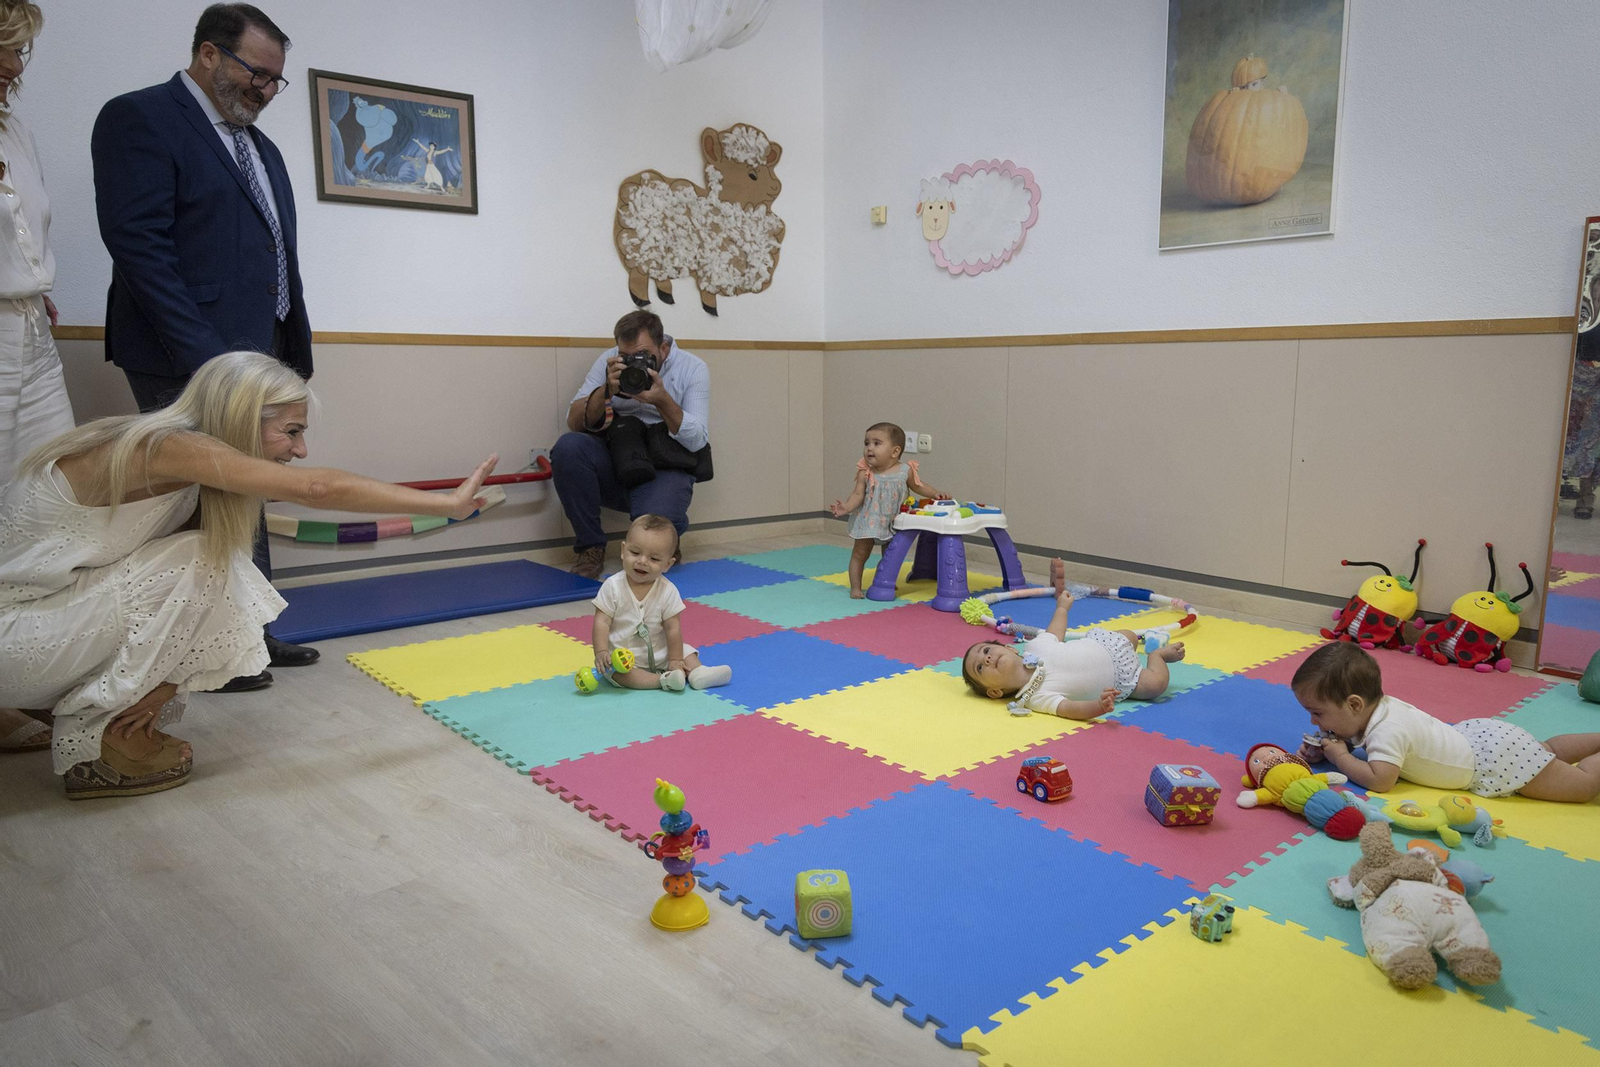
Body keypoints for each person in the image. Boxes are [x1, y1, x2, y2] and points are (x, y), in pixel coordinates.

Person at [0, 351, 497, 799]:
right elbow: (317, 489)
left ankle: (85, 715)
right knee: (204, 557)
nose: (300, 451)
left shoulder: (183, 467)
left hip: (34, 632)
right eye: (292, 431)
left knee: (216, 559)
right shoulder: (161, 447)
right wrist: (446, 505)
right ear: (240, 419)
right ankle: (95, 741)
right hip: (12, 641)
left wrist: (165, 682)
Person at [90, 3, 316, 685]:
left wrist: (287, 349)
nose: (265, 89)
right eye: (257, 72)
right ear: (210, 54)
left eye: (276, 80)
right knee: (198, 495)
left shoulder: (264, 150)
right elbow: (139, 246)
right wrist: (209, 361)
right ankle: (210, 650)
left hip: (258, 354)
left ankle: (252, 633)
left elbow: (277, 254)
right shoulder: (140, 117)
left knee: (242, 490)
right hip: (182, 354)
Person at [1291, 641, 1600, 802]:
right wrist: (1330, 746)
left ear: (1354, 704)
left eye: (1318, 712)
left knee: (1583, 787)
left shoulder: (1388, 730)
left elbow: (1382, 781)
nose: (1313, 720)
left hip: (1493, 763)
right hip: (1486, 738)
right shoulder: (1379, 709)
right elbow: (1354, 733)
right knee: (1546, 751)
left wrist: (1341, 757)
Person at [553, 310, 710, 580]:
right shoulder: (609, 361)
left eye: (643, 354)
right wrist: (605, 390)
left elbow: (697, 440)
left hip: (665, 464)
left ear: (663, 347)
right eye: (626, 356)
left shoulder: (692, 367)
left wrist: (662, 400)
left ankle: (672, 526)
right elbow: (574, 422)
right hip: (619, 458)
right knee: (569, 447)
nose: (633, 362)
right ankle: (590, 547)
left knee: (653, 535)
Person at [962, 560, 1188, 718]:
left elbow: (1055, 632)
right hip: (1124, 679)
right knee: (1155, 686)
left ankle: (1139, 645)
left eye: (986, 651)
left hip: (1107, 644)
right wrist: (1097, 706)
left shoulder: (1034, 646)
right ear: (995, 692)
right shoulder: (1035, 698)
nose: (988, 659)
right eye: (980, 667)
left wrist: (1062, 608)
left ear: (1011, 650)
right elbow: (1069, 708)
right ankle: (1157, 655)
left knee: (1128, 635)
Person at [0, 0, 73, 484]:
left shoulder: (17, 134)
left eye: (19, 49)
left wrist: (29, 280)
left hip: (31, 331)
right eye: (4, 47)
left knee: (53, 485)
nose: (16, 64)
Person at [588, 514, 730, 691]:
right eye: (635, 552)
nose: (642, 561)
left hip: (661, 653)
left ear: (667, 564)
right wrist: (601, 652)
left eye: (654, 559)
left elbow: (673, 628)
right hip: (624, 659)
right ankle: (664, 680)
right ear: (623, 551)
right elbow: (601, 622)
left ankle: (698, 673)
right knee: (620, 675)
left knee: (685, 651)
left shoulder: (667, 590)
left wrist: (675, 659)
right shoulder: (612, 587)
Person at [829, 422, 942, 597]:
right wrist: (846, 507)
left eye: (876, 443)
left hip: (893, 521)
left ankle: (885, 580)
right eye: (867, 443)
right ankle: (856, 587)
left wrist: (936, 493)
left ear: (895, 451)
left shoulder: (905, 471)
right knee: (859, 554)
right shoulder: (865, 472)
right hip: (868, 521)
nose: (869, 448)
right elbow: (857, 495)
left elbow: (919, 486)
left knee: (891, 554)